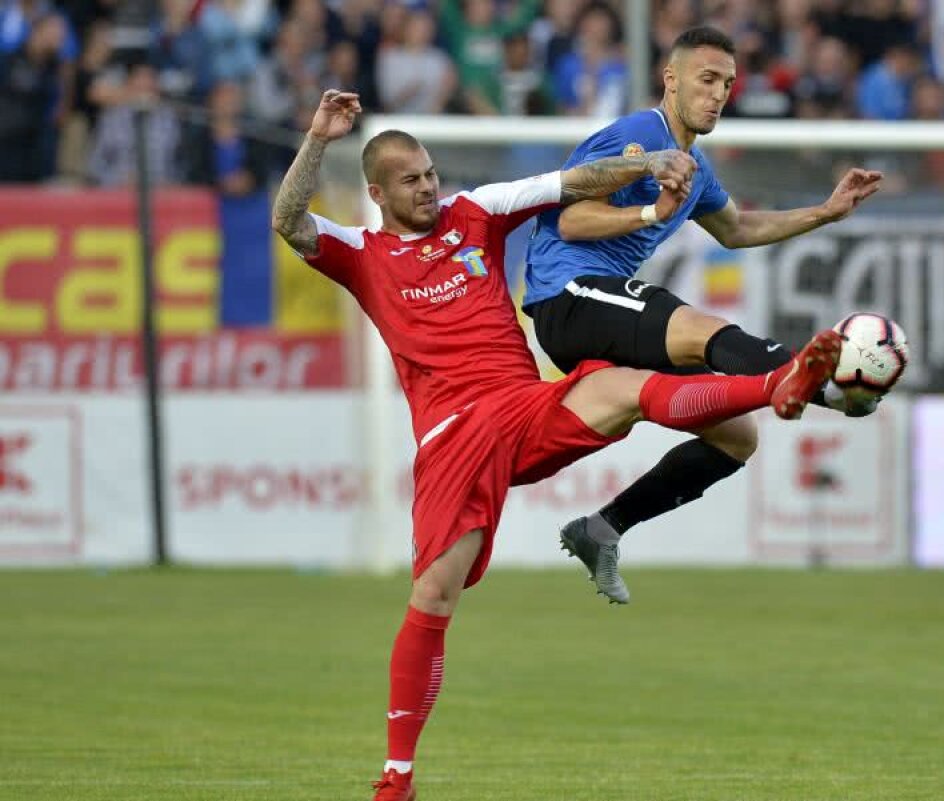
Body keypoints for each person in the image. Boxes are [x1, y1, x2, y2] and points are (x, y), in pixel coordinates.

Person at [271, 89, 844, 801]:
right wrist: (319, 136)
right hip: (453, 434)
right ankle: (398, 775)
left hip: (521, 405)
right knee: (433, 595)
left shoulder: (475, 213)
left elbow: (568, 185)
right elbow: (287, 219)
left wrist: (653, 166)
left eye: (430, 173)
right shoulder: (364, 252)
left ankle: (779, 385)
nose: (428, 187)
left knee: (626, 388)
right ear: (378, 192)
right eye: (412, 180)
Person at [522, 26, 883, 604]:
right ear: (671, 81)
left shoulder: (696, 167)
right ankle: (829, 391)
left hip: (604, 302)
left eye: (729, 84)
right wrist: (647, 212)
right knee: (698, 330)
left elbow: (738, 229)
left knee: (736, 438)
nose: (718, 94)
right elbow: (570, 220)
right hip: (569, 295)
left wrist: (825, 212)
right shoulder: (640, 135)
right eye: (707, 80)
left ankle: (603, 527)